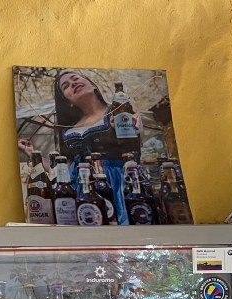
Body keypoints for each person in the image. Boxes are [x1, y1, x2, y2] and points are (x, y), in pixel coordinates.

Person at [18, 70, 142, 225]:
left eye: (75, 78)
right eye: (66, 86)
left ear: (93, 85)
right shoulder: (67, 129)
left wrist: (133, 125)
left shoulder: (119, 111)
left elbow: (134, 141)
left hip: (116, 184)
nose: (73, 83)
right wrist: (32, 154)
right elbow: (64, 167)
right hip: (79, 188)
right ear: (67, 100)